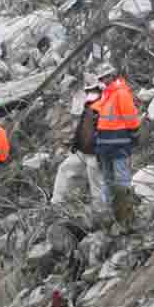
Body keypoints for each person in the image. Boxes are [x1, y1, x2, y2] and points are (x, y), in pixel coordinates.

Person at [93, 64, 141, 226]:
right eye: (101, 78)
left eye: (105, 77)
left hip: (115, 142)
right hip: (108, 144)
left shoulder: (119, 93)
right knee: (110, 180)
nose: (103, 81)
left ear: (112, 76)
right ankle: (112, 215)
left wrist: (134, 133)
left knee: (120, 180)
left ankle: (126, 217)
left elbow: (130, 116)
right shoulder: (108, 93)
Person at [50, 80, 105, 210]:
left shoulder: (106, 109)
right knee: (64, 169)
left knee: (96, 184)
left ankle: (101, 211)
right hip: (82, 151)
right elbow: (81, 130)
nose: (91, 93)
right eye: (89, 91)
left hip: (96, 154)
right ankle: (56, 204)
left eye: (94, 90)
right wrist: (75, 145)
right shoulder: (88, 109)